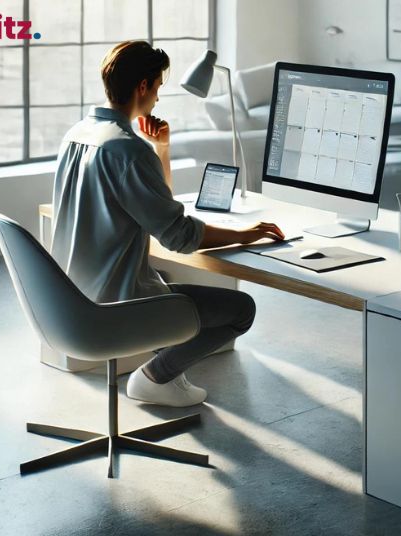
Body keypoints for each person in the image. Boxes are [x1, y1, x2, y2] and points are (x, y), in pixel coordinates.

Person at [50, 40, 283, 407]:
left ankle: (161, 368)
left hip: (68, 298)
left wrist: (161, 149)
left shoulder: (78, 133)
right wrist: (246, 235)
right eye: (157, 87)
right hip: (115, 306)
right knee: (242, 310)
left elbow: (160, 210)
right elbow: (178, 235)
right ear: (142, 86)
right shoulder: (127, 149)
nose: (158, 98)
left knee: (168, 281)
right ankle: (156, 377)